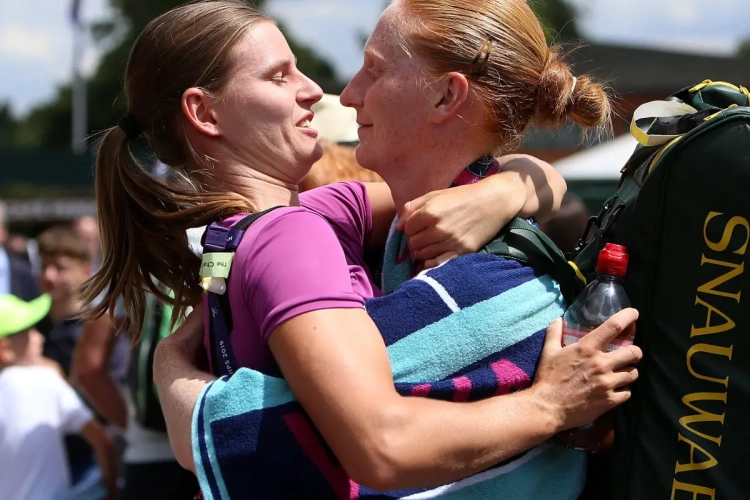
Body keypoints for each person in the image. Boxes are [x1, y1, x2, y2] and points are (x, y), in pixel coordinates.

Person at [82, 0, 640, 497]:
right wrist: (548, 406)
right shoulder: (291, 234)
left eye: (374, 70)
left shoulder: (292, 224)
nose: (326, 92)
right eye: (279, 76)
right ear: (204, 113)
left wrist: (506, 187)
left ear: (448, 95)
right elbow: (379, 442)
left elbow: (506, 178)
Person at [0, 294, 118, 500]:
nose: (39, 337)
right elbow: (103, 443)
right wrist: (113, 491)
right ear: (5, 349)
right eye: (29, 331)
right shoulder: (46, 380)